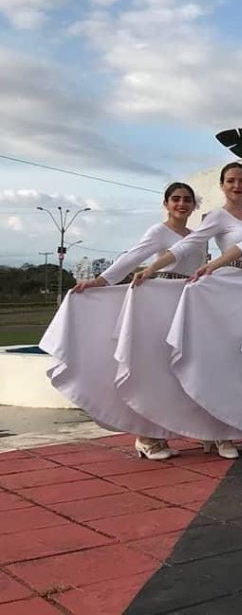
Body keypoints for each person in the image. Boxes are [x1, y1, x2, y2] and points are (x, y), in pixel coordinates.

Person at [136, 164, 242, 457]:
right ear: (222, 185)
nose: (237, 185)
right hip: (224, 289)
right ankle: (220, 433)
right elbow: (191, 243)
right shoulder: (216, 216)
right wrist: (152, 267)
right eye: (231, 181)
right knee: (222, 363)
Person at [43, 183, 200, 460]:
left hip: (186, 304)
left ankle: (161, 433)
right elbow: (132, 258)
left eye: (187, 199)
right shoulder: (158, 232)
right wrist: (101, 282)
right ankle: (146, 436)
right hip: (158, 302)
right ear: (166, 204)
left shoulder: (197, 236)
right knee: (153, 369)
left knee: (174, 372)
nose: (181, 204)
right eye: (175, 199)